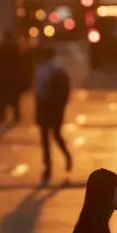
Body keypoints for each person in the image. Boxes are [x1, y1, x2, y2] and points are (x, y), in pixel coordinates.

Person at [34, 47, 73, 185]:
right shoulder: (59, 69)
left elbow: (38, 91)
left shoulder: (41, 70)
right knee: (56, 134)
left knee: (45, 139)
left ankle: (48, 168)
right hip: (56, 109)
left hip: (45, 107)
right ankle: (67, 156)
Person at [0, 31, 22, 122]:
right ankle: (16, 116)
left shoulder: (0, 49)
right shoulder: (15, 49)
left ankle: (2, 117)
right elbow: (20, 64)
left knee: (2, 99)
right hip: (12, 77)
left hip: (3, 77)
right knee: (14, 99)